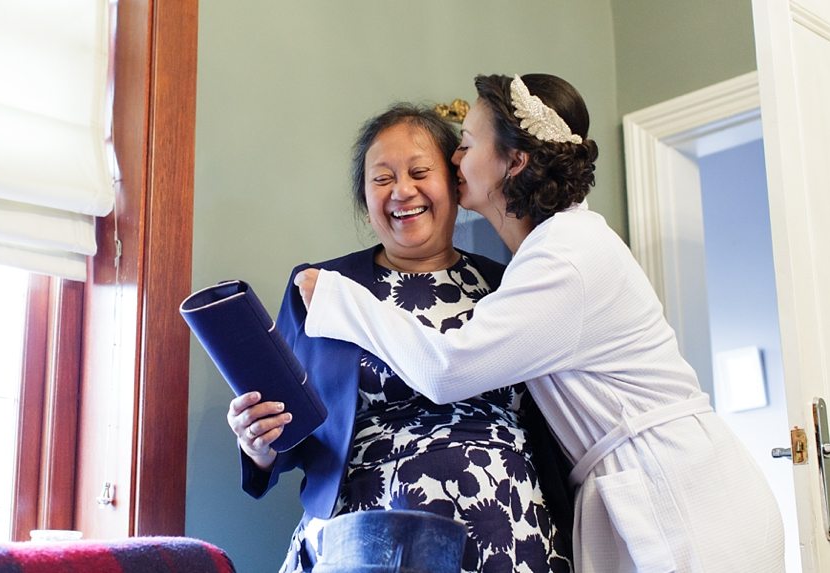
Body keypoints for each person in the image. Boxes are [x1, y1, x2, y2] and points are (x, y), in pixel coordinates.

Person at [295, 75, 786, 572]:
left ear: (514, 160)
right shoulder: (547, 253)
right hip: (647, 484)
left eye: (465, 145)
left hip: (681, 495)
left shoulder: (564, 259)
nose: (457, 160)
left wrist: (341, 300)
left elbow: (447, 368)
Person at [227, 102, 573, 573]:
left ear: (455, 183)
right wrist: (259, 447)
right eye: (382, 178)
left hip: (509, 529)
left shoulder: (510, 283)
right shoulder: (319, 288)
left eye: (419, 171)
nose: (402, 191)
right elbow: (290, 437)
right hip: (361, 531)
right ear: (364, 199)